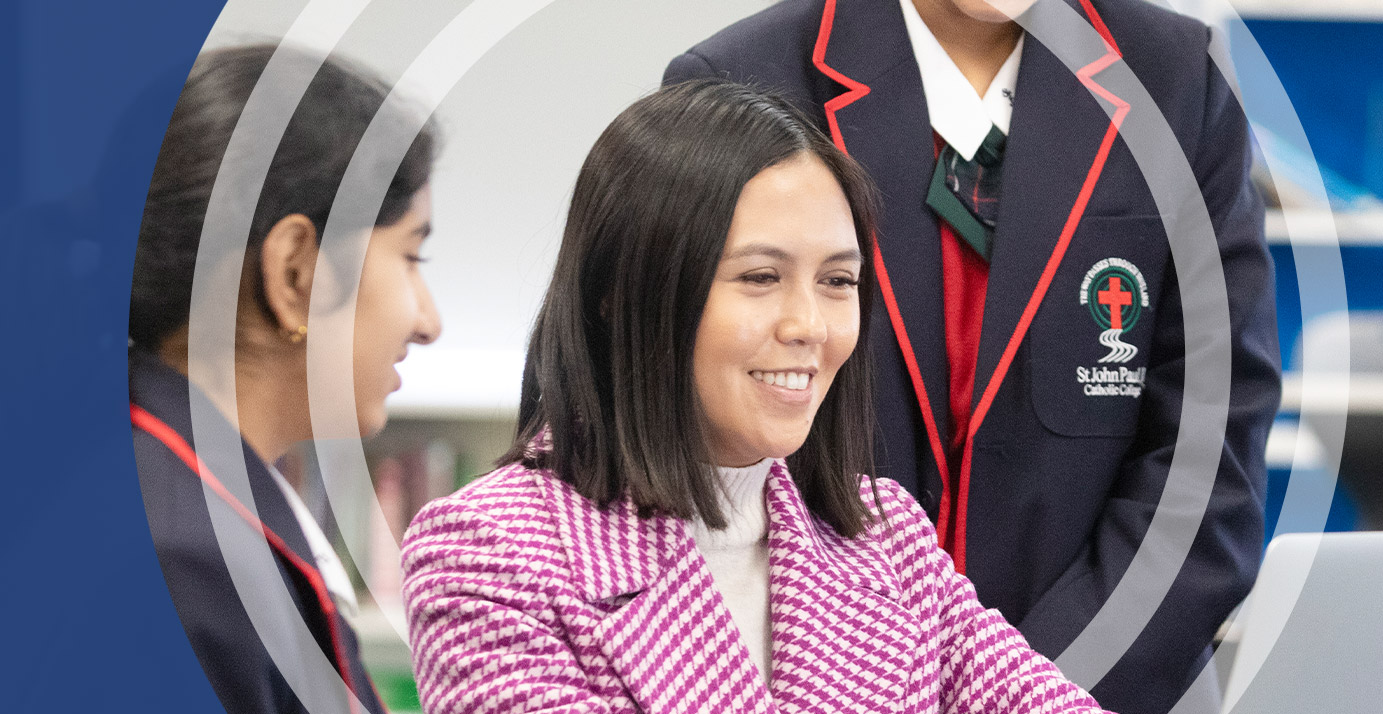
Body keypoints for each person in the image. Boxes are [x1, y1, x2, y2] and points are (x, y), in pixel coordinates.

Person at [402, 79, 1106, 714]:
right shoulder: (489, 550)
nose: (809, 326)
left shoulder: (885, 537)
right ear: (621, 293)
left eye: (837, 281)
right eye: (760, 277)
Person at [663, 2, 1280, 712]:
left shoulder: (1177, 79)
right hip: (807, 684)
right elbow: (647, 414)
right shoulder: (740, 78)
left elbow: (1210, 455)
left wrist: (1036, 693)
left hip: (1101, 683)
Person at [0, 44, 440, 713]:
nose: (428, 320)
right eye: (411, 255)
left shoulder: (146, 493)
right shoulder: (183, 560)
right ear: (296, 271)